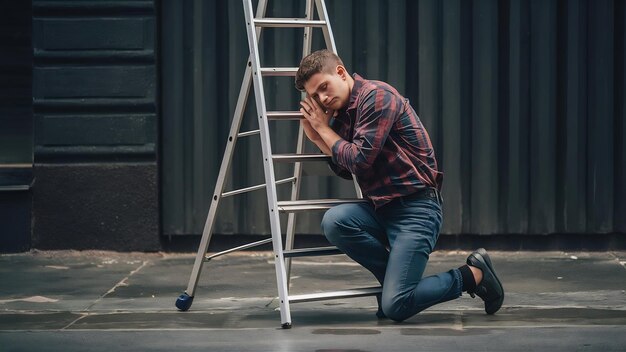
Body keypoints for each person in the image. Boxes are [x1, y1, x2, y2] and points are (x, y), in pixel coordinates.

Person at [294, 49, 504, 321]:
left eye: (323, 87)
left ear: (341, 72)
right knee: (335, 221)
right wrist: (317, 138)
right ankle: (396, 285)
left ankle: (473, 276)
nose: (322, 98)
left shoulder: (377, 97)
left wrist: (323, 129)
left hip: (417, 210)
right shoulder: (343, 114)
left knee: (395, 306)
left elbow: (359, 161)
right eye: (315, 95)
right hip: (380, 210)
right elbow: (345, 169)